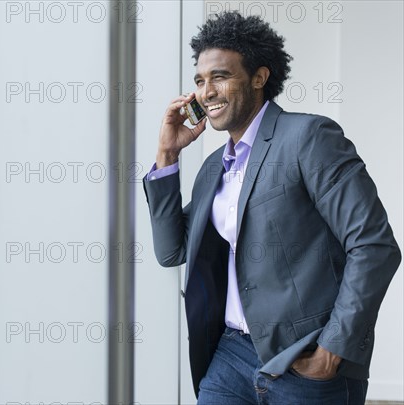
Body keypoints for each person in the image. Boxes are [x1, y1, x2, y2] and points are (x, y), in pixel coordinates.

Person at [142, 11, 401, 404]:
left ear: (259, 78)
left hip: (303, 362)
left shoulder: (308, 137)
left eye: (220, 76)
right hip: (229, 357)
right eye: (200, 80)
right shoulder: (215, 167)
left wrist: (332, 349)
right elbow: (171, 251)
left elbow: (373, 245)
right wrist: (166, 155)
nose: (206, 91)